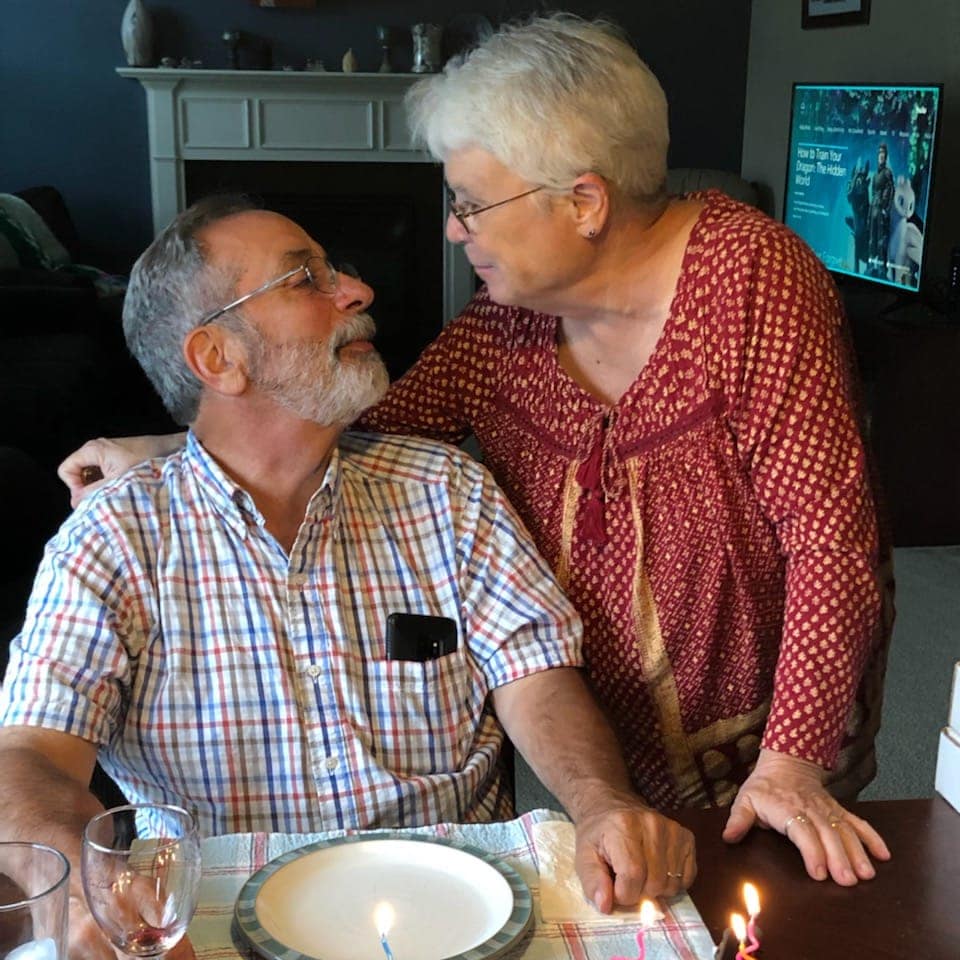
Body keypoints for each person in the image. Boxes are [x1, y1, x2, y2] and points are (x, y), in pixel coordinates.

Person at [59, 15, 892, 888]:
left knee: (784, 915)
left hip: (776, 721)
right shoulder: (509, 325)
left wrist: (794, 757)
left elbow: (829, 536)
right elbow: (365, 427)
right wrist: (173, 445)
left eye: (469, 201)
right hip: (619, 721)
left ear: (583, 201)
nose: (454, 229)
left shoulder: (752, 276)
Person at [2, 195, 696, 960]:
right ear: (216, 359)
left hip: (464, 914)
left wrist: (603, 802)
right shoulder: (113, 539)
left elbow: (538, 676)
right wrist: (78, 895)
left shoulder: (447, 491)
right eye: (304, 279)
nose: (357, 292)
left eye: (337, 271)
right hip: (208, 925)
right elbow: (28, 756)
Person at [867, 142, 894, 276]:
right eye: (879, 153)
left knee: (881, 240)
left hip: (881, 210)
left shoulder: (887, 173)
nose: (881, 156)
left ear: (886, 156)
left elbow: (890, 190)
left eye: (883, 153)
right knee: (872, 239)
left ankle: (882, 268)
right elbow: (873, 192)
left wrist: (885, 209)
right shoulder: (875, 176)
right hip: (874, 209)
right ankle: (871, 264)